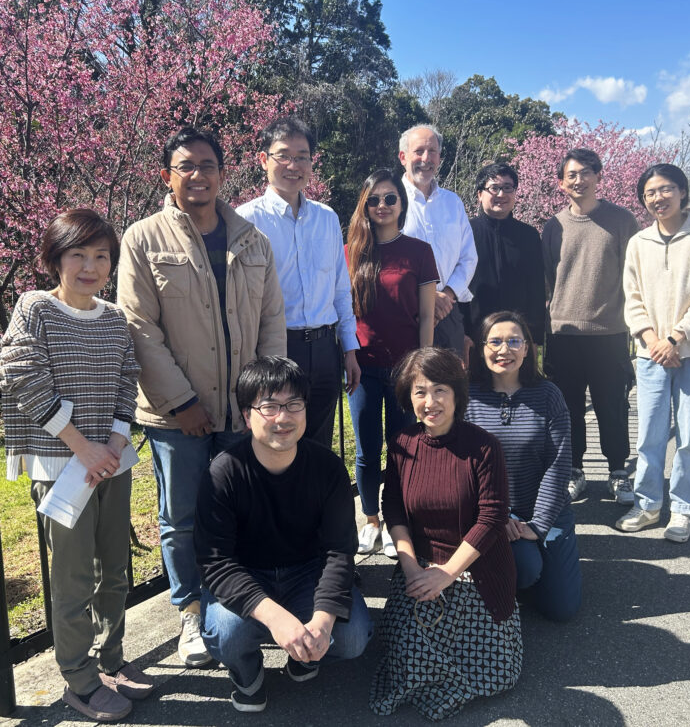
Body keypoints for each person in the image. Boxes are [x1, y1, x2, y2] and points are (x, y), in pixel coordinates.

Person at [117, 126, 286, 669]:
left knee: (242, 508)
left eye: (207, 165)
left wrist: (264, 398)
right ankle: (191, 612)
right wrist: (180, 402)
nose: (198, 176)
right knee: (182, 515)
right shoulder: (143, 239)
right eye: (185, 166)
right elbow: (139, 327)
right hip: (177, 416)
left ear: (223, 172)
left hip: (242, 409)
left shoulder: (252, 240)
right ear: (167, 175)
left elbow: (271, 323)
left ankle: (237, 602)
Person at [0, 209, 153, 722]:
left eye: (101, 255)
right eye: (78, 255)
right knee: (73, 576)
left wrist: (112, 440)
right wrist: (82, 445)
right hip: (61, 465)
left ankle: (112, 661)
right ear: (55, 259)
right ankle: (80, 681)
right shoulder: (34, 308)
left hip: (112, 459)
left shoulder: (112, 318)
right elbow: (18, 373)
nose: (91, 266)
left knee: (116, 570)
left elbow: (127, 379)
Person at [196, 356, 372, 713]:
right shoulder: (224, 472)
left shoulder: (327, 467)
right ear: (247, 416)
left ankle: (305, 656)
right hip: (247, 573)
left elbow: (340, 551)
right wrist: (278, 619)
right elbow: (216, 564)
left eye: (294, 404)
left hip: (308, 572)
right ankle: (247, 673)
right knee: (226, 635)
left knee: (351, 638)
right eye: (269, 406)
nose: (283, 417)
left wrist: (321, 623)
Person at [370, 347, 523, 721]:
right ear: (408, 397)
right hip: (419, 565)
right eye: (420, 391)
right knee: (407, 662)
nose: (430, 401)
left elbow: (491, 518)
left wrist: (447, 573)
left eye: (440, 390)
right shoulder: (402, 444)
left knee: (496, 671)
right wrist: (411, 570)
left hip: (475, 567)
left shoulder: (484, 447)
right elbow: (394, 510)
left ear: (456, 394)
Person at [617, 163, 690, 543]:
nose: (657, 198)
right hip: (651, 353)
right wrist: (652, 340)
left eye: (665, 189)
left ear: (682, 191)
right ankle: (648, 504)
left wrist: (676, 338)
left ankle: (683, 509)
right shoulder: (639, 243)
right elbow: (631, 299)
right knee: (648, 435)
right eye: (649, 193)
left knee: (689, 436)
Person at [237, 116, 361, 447]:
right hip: (275, 347)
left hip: (324, 349)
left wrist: (349, 347)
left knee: (318, 440)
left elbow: (339, 287)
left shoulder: (327, 218)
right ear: (264, 159)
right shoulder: (246, 220)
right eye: (283, 155)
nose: (294, 165)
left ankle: (311, 501)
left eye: (303, 156)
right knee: (277, 439)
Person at [345, 169, 439, 559]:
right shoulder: (350, 251)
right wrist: (346, 354)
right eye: (374, 200)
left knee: (404, 449)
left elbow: (428, 316)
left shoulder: (419, 251)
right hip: (362, 368)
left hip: (406, 369)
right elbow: (343, 310)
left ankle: (398, 521)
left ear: (401, 203)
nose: (382, 206)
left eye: (390, 198)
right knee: (367, 451)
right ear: (364, 205)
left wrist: (424, 365)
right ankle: (370, 520)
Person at [465, 311, 581, 622]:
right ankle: (516, 572)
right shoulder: (466, 397)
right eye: (496, 342)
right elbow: (463, 469)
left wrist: (539, 525)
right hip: (494, 510)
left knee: (562, 609)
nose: (505, 350)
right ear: (481, 348)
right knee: (526, 569)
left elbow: (558, 466)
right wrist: (496, 517)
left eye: (515, 341)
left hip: (547, 509)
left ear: (528, 349)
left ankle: (530, 563)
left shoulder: (548, 395)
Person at [542, 148, 639, 503]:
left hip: (609, 332)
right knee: (567, 410)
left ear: (599, 176)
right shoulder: (554, 226)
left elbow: (636, 274)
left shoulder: (622, 220)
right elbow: (547, 279)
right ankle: (574, 471)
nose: (578, 180)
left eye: (585, 172)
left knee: (612, 406)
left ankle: (618, 471)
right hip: (562, 334)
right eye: (571, 175)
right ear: (561, 183)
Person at [398, 124, 477, 359]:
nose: (426, 158)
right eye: (419, 151)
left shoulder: (453, 203)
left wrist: (447, 296)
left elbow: (469, 257)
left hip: (447, 311)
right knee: (405, 389)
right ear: (403, 157)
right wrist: (427, 298)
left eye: (432, 151)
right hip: (405, 311)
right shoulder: (390, 200)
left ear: (440, 158)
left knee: (449, 388)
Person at [466, 163, 545, 367]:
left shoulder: (529, 236)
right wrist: (461, 333)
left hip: (518, 339)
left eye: (508, 188)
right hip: (474, 336)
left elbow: (536, 290)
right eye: (494, 188)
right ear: (479, 194)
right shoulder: (464, 232)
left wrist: (534, 338)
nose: (501, 194)